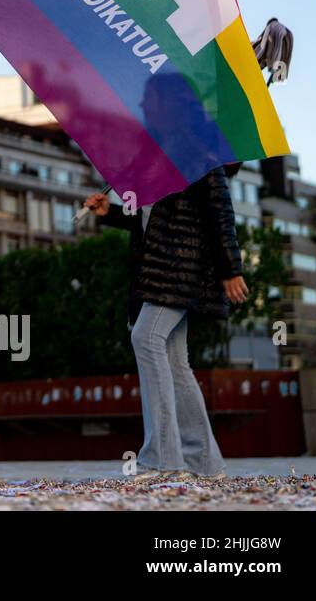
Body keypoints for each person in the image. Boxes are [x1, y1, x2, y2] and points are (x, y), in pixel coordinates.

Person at [82, 165, 247, 482]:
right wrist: (110, 213)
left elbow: (220, 214)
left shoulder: (197, 156)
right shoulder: (161, 158)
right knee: (174, 360)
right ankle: (205, 463)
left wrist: (231, 269)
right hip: (160, 272)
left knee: (145, 338)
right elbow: (152, 220)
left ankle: (163, 459)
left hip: (179, 270)